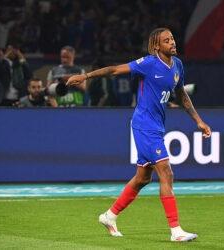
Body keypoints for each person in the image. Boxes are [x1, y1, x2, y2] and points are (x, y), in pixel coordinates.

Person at [67, 27, 211, 242]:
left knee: (143, 178)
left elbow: (181, 95)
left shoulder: (177, 65)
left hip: (157, 126)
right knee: (166, 173)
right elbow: (114, 70)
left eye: (172, 38)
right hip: (144, 126)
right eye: (166, 40)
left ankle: (110, 216)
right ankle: (176, 230)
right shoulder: (148, 63)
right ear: (156, 46)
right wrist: (86, 75)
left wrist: (199, 121)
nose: (172, 42)